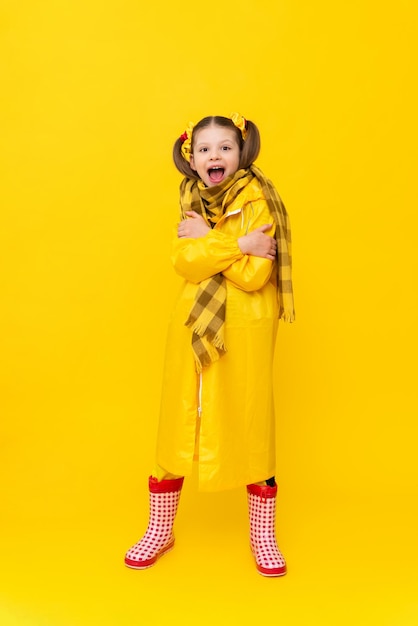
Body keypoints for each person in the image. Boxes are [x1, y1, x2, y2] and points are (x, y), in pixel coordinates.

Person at [125, 113, 295, 577]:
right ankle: (160, 530)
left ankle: (263, 538)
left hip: (246, 328)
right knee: (178, 425)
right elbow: (184, 262)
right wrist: (238, 242)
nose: (214, 156)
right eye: (204, 149)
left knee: (251, 426)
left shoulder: (260, 199)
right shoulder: (191, 201)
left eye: (224, 147)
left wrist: (213, 245)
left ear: (241, 153)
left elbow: (255, 273)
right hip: (191, 325)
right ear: (191, 157)